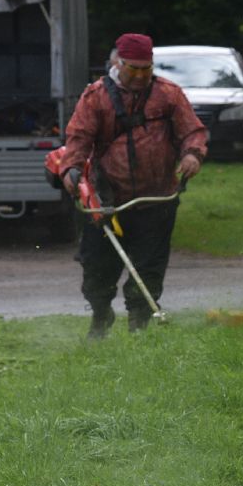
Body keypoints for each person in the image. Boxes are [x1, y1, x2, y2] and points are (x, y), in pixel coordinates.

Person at [58, 33, 207, 338]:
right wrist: (71, 170)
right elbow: (79, 138)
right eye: (134, 68)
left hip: (158, 199)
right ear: (118, 63)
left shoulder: (169, 94)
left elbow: (193, 131)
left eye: (146, 69)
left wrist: (192, 154)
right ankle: (101, 316)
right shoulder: (95, 97)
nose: (140, 75)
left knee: (148, 268)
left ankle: (139, 325)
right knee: (97, 270)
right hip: (107, 200)